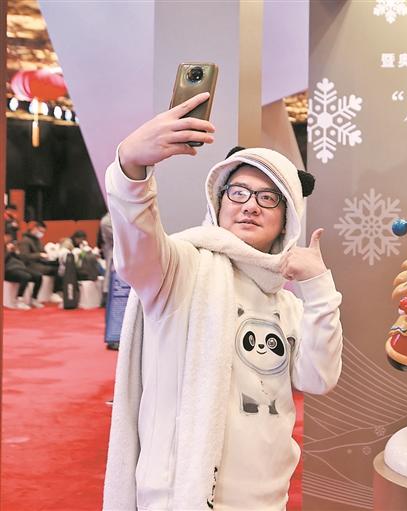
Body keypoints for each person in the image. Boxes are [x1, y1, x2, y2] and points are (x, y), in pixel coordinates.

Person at [103, 92, 343, 511]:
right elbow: (137, 246)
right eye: (238, 193)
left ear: (286, 220)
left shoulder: (288, 304)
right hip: (179, 497)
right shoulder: (181, 270)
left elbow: (318, 379)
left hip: (266, 496)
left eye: (268, 198)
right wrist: (130, 168)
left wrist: (319, 288)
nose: (250, 206)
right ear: (218, 201)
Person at [16, 221, 55, 306]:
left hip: (39, 263)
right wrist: (39, 255)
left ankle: (35, 298)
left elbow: (43, 252)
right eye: (40, 231)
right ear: (34, 229)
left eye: (43, 232)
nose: (41, 234)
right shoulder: (25, 240)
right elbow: (24, 256)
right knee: (41, 274)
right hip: (28, 265)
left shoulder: (38, 241)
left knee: (56, 267)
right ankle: (24, 299)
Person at [4, 234, 42, 309]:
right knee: (25, 276)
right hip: (8, 270)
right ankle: (19, 300)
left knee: (38, 276)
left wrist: (16, 252)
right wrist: (8, 251)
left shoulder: (12, 246)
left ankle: (34, 298)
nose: (8, 238)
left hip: (20, 267)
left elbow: (22, 259)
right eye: (7, 236)